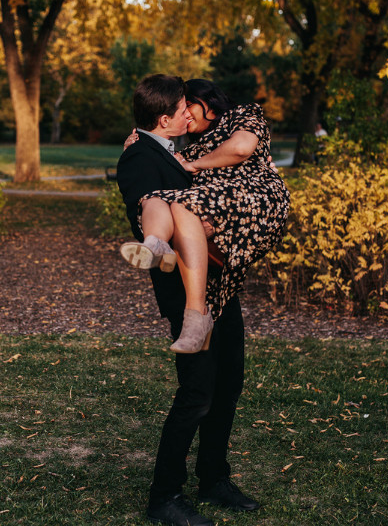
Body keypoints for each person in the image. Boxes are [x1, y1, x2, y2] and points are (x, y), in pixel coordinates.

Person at [117, 74, 261, 525]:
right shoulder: (139, 156)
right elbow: (149, 215)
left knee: (228, 386)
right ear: (164, 118)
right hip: (186, 296)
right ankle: (165, 497)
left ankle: (214, 478)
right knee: (197, 393)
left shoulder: (178, 151)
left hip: (222, 289)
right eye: (183, 108)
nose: (190, 113)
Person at [120, 77, 291, 354]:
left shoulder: (244, 114)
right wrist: (136, 143)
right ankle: (155, 245)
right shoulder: (192, 147)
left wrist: (194, 165)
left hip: (256, 199)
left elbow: (241, 149)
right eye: (181, 109)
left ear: (208, 102)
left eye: (189, 106)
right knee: (158, 199)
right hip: (220, 220)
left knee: (182, 204)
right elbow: (156, 165)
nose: (186, 114)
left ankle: (195, 315)